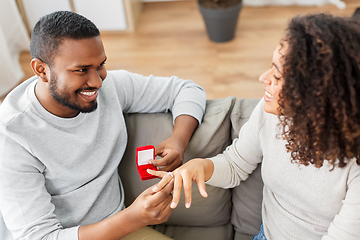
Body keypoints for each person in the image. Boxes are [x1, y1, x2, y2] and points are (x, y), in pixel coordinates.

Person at [150, 13, 360, 239]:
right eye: (271, 66)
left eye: (277, 76)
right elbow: (235, 164)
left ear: (315, 94)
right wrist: (199, 167)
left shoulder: (354, 166)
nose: (263, 77)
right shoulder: (272, 112)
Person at [0, 11, 206, 240]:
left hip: (121, 228)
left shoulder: (109, 89)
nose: (97, 81)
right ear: (41, 70)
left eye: (101, 65)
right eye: (81, 70)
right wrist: (134, 218)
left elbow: (186, 89)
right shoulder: (12, 137)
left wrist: (178, 141)